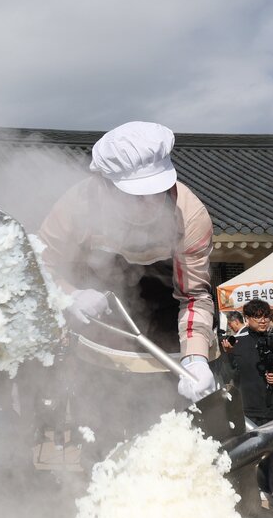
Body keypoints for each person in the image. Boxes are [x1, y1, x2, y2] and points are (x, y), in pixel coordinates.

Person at [39, 121, 218, 410]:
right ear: (105, 184)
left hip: (169, 328)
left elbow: (194, 296)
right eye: (135, 194)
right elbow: (40, 263)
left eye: (157, 190)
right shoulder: (76, 207)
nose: (149, 203)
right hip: (101, 325)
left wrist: (195, 359)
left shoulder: (191, 215)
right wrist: (69, 294)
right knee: (102, 428)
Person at [220, 300, 273, 491]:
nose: (262, 321)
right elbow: (228, 377)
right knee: (254, 461)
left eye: (265, 316)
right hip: (249, 412)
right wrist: (228, 355)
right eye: (257, 317)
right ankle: (261, 502)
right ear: (247, 319)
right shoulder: (238, 342)